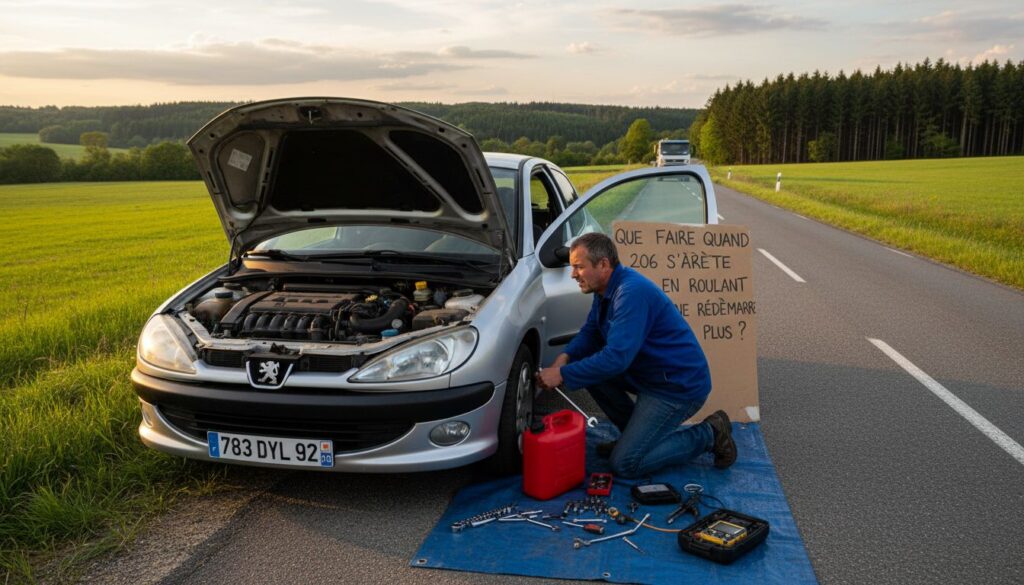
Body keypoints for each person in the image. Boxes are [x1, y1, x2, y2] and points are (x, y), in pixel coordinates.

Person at [536, 232, 737, 478]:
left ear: (603, 265)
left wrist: (562, 375)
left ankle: (710, 433)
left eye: (579, 267)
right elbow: (591, 332)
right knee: (586, 367)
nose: (573, 274)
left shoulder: (630, 293)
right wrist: (565, 358)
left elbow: (616, 359)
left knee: (626, 464)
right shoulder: (604, 288)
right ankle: (634, 438)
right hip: (648, 374)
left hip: (676, 387)